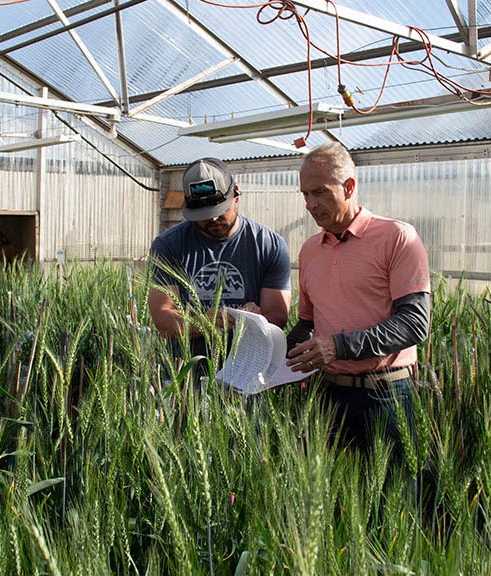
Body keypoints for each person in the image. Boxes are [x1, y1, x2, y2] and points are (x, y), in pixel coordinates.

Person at [285, 143, 431, 452]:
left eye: (320, 193)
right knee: (331, 500)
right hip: (328, 397)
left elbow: (414, 324)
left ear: (349, 187)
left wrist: (337, 347)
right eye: (305, 195)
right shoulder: (310, 250)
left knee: (393, 497)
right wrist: (275, 350)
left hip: (386, 395)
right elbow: (308, 322)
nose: (310, 205)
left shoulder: (398, 238)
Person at [148, 157, 292, 368]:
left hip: (247, 371)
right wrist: (203, 323)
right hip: (186, 376)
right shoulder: (169, 245)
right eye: (203, 215)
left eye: (218, 210)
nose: (213, 220)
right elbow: (163, 320)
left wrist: (256, 319)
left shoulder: (269, 245)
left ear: (235, 194)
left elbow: (278, 315)